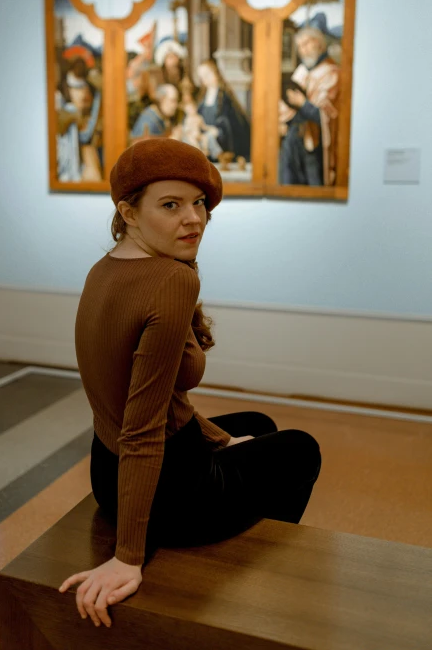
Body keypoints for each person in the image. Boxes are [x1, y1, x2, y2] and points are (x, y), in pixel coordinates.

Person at [59, 138, 322, 627]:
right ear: (129, 212)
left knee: (257, 423)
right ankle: (249, 565)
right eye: (171, 205)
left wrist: (219, 440)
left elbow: (161, 399)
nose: (194, 218)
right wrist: (127, 558)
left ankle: (237, 526)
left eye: (199, 203)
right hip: (170, 493)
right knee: (302, 448)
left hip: (107, 472)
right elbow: (142, 428)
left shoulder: (105, 268)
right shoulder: (172, 280)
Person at [278, 26, 340, 186]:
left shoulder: (331, 73)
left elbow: (328, 115)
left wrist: (302, 104)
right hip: (292, 143)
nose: (303, 50)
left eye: (306, 44)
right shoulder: (301, 71)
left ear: (319, 44)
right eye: (299, 46)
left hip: (314, 147)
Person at [57, 58, 103, 181]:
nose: (82, 94)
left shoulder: (94, 110)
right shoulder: (66, 113)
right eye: (76, 88)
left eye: (83, 87)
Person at [196, 59, 251, 162]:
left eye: (207, 74)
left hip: (221, 141)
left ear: (215, 73)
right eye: (202, 77)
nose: (205, 79)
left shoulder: (224, 97)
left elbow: (231, 123)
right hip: (204, 138)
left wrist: (216, 131)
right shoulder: (202, 97)